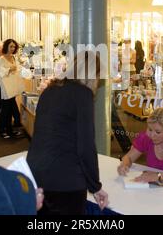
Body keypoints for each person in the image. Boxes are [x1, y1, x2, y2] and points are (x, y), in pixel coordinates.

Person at [27, 51, 109, 215]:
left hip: (36, 176)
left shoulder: (49, 91)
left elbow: (39, 135)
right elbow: (85, 146)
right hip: (66, 181)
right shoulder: (83, 95)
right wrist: (95, 186)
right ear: (94, 75)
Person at [0, 39, 23, 139]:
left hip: (12, 86)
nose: (12, 48)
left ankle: (9, 130)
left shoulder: (13, 58)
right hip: (5, 87)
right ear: (6, 46)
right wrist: (9, 69)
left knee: (10, 109)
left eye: (14, 47)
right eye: (11, 46)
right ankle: (2, 131)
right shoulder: (2, 59)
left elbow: (17, 70)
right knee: (5, 109)